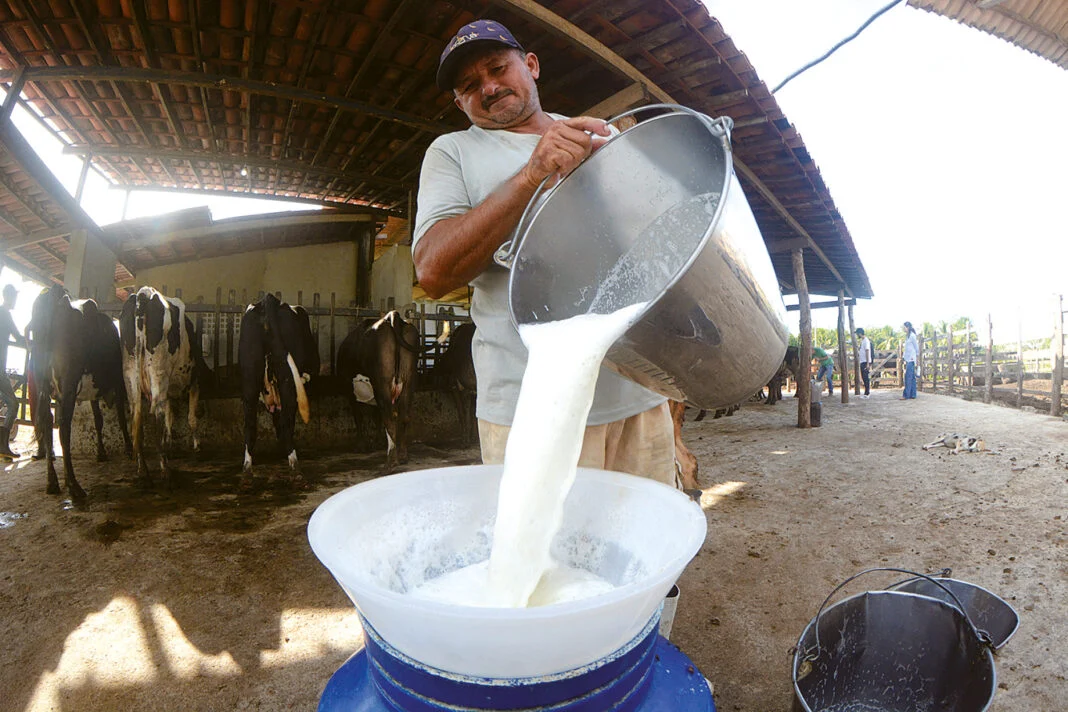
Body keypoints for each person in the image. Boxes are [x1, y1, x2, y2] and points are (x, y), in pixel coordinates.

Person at [412, 20, 676, 486]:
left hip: (639, 390)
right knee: (544, 558)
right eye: (470, 87)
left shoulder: (597, 138)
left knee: (648, 546)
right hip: (533, 409)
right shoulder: (452, 151)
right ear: (459, 104)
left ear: (530, 66)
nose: (489, 88)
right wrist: (531, 175)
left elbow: (661, 242)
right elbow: (433, 269)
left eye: (497, 68)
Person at [0, 284, 26, 458]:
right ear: (8, 297)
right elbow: (19, 338)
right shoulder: (5, 315)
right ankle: (2, 446)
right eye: (14, 297)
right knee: (13, 404)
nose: (16, 300)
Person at [901, 321, 919, 400]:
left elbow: (916, 348)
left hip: (911, 359)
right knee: (912, 377)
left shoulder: (912, 336)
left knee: (908, 377)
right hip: (908, 358)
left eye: (904, 327)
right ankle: (913, 394)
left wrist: (917, 358)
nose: (903, 329)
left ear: (907, 327)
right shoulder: (908, 336)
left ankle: (906, 395)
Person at [856, 328, 873, 398]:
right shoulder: (863, 341)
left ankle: (867, 393)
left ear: (860, 333)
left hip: (865, 361)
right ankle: (866, 392)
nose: (857, 335)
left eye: (857, 334)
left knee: (865, 377)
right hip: (863, 361)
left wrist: (868, 363)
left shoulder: (866, 341)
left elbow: (867, 351)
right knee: (864, 377)